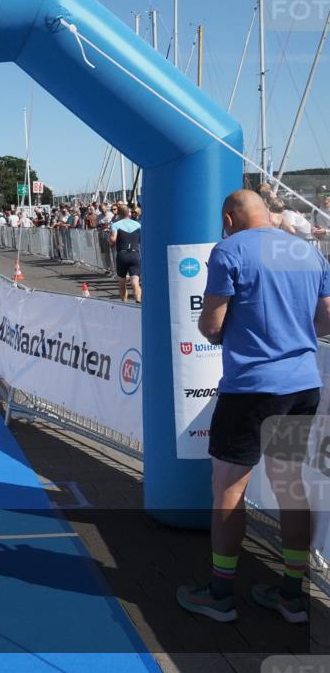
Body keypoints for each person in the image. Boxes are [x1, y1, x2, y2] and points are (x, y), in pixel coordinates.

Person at [178, 190, 330, 624]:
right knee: (290, 484)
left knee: (228, 488)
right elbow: (326, 321)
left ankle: (221, 594)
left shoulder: (228, 251)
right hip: (302, 385)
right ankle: (291, 595)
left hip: (250, 388)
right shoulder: (307, 251)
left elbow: (211, 324)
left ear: (229, 218)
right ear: (267, 212)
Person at [108, 204, 142, 303]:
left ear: (118, 214)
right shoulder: (138, 225)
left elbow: (113, 240)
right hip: (135, 254)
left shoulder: (115, 225)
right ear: (129, 213)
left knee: (122, 282)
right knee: (135, 282)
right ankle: (138, 300)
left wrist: (109, 240)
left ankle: (124, 303)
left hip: (122, 254)